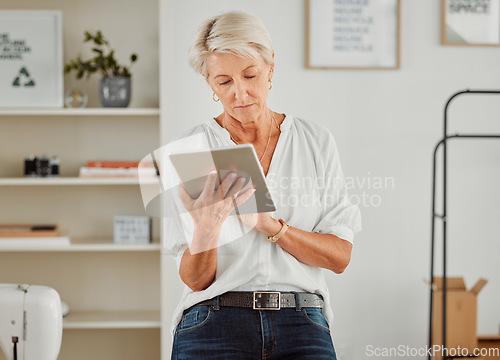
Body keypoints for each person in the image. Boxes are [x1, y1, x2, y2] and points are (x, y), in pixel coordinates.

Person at [166, 11, 361, 360]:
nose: (240, 93)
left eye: (250, 75)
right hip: (213, 320)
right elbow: (195, 281)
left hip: (302, 319)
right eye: (224, 82)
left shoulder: (315, 141)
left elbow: (340, 257)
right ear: (209, 83)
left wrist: (270, 225)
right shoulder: (192, 150)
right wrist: (206, 229)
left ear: (271, 69)